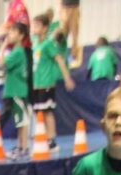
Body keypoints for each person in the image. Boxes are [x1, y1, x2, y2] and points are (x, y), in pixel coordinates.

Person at [31, 13, 74, 153]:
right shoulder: (35, 45)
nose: (34, 28)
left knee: (47, 112)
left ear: (45, 28)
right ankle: (44, 137)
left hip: (47, 84)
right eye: (33, 25)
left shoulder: (48, 44)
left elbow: (59, 60)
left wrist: (67, 78)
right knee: (39, 113)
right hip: (36, 85)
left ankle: (52, 140)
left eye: (37, 25)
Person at [0, 22, 32, 158]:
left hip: (17, 91)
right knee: (19, 121)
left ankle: (23, 147)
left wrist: (3, 46)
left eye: (13, 32)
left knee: (22, 121)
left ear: (21, 36)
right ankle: (20, 146)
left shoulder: (18, 52)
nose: (9, 35)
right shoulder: (16, 52)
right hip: (14, 90)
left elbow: (1, 63)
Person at [59, 0, 82, 67]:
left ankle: (71, 60)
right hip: (64, 8)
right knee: (62, 37)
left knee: (74, 38)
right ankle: (61, 58)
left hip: (74, 8)